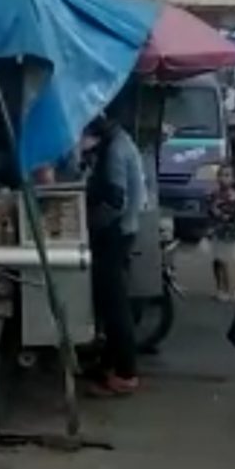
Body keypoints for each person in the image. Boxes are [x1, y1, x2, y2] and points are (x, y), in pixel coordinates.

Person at [84, 112, 146, 396]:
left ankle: (125, 372)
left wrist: (90, 225)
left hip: (117, 233)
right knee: (111, 302)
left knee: (115, 303)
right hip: (123, 231)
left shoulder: (116, 150)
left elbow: (114, 200)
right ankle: (110, 365)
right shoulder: (119, 143)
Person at [209, 163, 235, 301]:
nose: (222, 178)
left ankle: (227, 290)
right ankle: (220, 288)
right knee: (217, 261)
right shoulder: (214, 194)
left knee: (224, 261)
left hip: (229, 236)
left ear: (233, 179)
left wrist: (217, 212)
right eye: (220, 174)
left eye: (227, 175)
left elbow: (233, 217)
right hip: (217, 234)